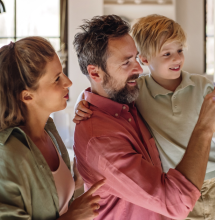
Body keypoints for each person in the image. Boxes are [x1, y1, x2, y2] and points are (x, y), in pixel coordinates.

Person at [72, 15, 215, 220]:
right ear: (95, 73)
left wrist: (83, 100)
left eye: (136, 58)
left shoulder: (126, 99)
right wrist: (204, 129)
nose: (139, 69)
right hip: (183, 197)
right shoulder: (103, 137)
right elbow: (176, 202)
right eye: (126, 62)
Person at [0, 37, 105, 220]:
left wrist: (74, 180)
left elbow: (49, 198)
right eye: (56, 79)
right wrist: (73, 216)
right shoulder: (5, 155)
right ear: (27, 96)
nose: (68, 82)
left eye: (62, 73)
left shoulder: (49, 132)